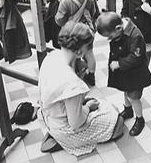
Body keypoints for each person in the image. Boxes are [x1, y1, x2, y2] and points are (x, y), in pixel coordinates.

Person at [38, 21, 124, 155]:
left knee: (97, 104)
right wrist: (88, 107)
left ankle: (55, 136)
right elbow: (76, 123)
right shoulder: (72, 82)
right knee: (116, 120)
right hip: (65, 129)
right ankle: (64, 142)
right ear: (79, 51)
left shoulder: (51, 56)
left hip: (49, 117)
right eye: (87, 48)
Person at [96, 12, 151, 136]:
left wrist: (119, 64)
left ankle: (140, 119)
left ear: (118, 28)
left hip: (135, 72)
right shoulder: (119, 31)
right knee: (125, 89)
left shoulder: (135, 35)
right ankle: (128, 110)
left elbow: (136, 57)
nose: (109, 39)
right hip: (125, 72)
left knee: (133, 96)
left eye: (109, 36)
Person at [55, 0, 97, 86]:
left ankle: (74, 77)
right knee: (89, 53)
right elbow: (93, 13)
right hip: (87, 32)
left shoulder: (65, 2)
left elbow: (59, 20)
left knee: (73, 55)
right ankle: (91, 75)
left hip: (73, 34)